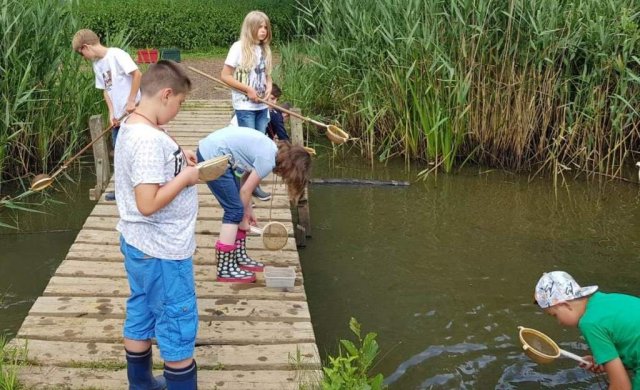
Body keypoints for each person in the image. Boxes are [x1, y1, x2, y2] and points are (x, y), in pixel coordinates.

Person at [114, 60, 199, 389]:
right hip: (162, 249)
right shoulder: (148, 140)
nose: (178, 110)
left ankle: (142, 385)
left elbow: (151, 167)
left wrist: (181, 156)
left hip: (138, 244)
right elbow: (147, 203)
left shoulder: (134, 124)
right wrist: (188, 178)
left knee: (142, 310)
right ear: (166, 94)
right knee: (177, 322)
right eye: (179, 103)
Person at [197, 126, 311, 283]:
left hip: (218, 153)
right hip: (212, 157)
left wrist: (249, 211)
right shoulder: (267, 161)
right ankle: (225, 268)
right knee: (234, 211)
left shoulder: (271, 150)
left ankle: (238, 256)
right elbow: (244, 192)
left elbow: (245, 182)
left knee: (239, 210)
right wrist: (243, 220)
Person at [534, 271, 640, 389]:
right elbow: (632, 341)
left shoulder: (589, 323)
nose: (559, 322)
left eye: (554, 315)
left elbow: (621, 387)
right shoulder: (607, 300)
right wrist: (604, 360)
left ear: (565, 305)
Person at [72, 29, 142, 201]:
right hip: (118, 117)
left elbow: (137, 74)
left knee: (136, 152)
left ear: (86, 47)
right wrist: (111, 113)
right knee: (119, 153)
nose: (84, 58)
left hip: (134, 113)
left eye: (82, 54)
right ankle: (122, 191)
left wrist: (132, 100)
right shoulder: (97, 65)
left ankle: (142, 189)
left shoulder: (117, 55)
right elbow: (105, 91)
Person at [221, 10, 273, 201]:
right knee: (247, 147)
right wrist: (247, 89)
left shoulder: (265, 50)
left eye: (266, 27)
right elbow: (225, 76)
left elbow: (267, 76)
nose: (263, 31)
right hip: (245, 106)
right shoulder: (238, 48)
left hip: (261, 106)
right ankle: (240, 185)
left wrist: (268, 88)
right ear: (250, 28)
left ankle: (252, 185)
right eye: (259, 27)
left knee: (258, 146)